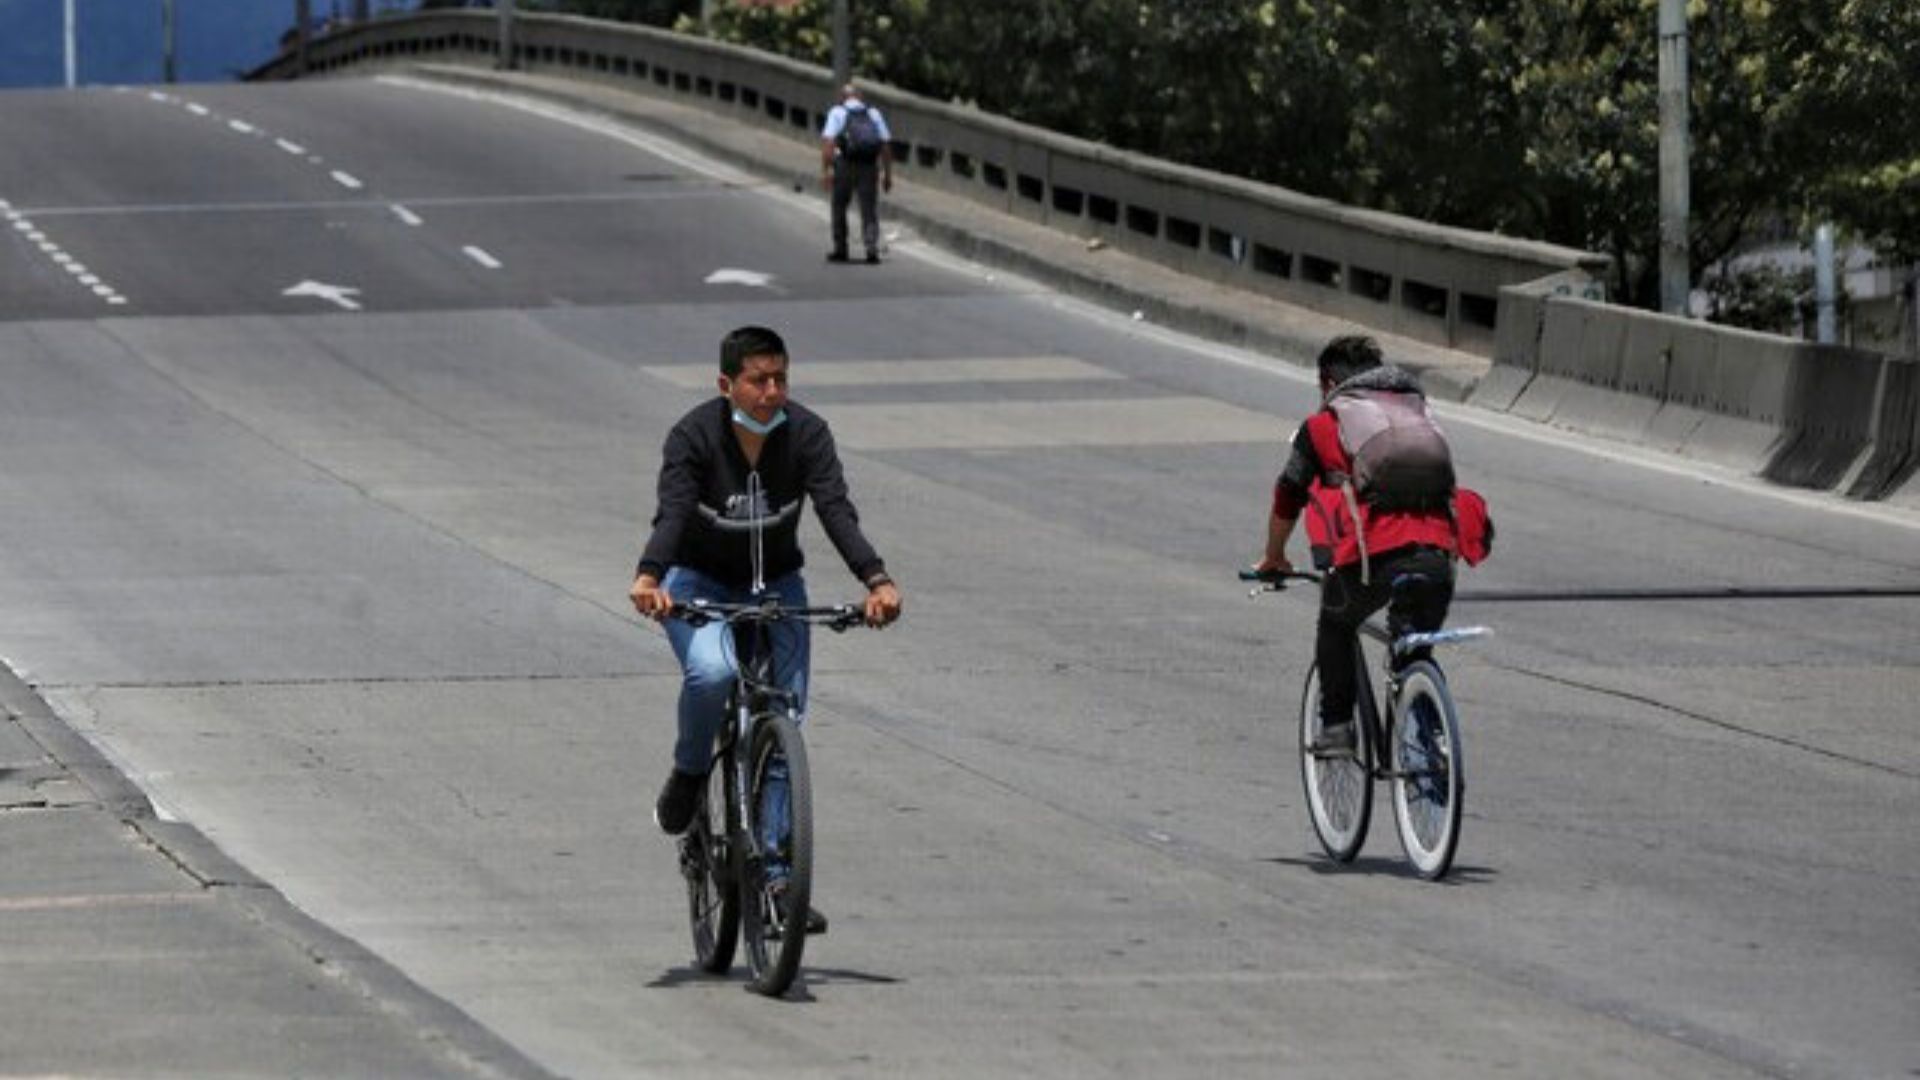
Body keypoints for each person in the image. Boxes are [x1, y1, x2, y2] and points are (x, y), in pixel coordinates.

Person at [631, 326, 902, 926]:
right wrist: (650, 578)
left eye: (780, 379)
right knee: (712, 671)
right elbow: (673, 513)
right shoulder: (693, 437)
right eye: (758, 381)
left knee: (786, 717)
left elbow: (835, 510)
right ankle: (690, 770)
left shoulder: (807, 435)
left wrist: (876, 580)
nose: (772, 392)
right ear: (727, 385)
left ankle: (779, 882)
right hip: (697, 585)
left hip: (778, 588)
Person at [1253, 335, 1471, 752]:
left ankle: (1336, 727)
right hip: (1439, 556)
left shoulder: (1322, 426)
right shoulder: (1420, 414)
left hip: (1374, 559)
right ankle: (1430, 733)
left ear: (1327, 383)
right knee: (1412, 642)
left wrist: (1274, 556)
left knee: (1336, 623)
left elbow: (1289, 494)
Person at [818, 82, 893, 264]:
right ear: (860, 97)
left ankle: (841, 249)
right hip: (869, 166)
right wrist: (887, 174)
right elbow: (885, 145)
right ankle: (871, 249)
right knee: (868, 209)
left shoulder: (837, 112)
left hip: (844, 164)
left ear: (843, 97)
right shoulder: (873, 113)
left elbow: (828, 144)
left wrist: (826, 171)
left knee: (839, 206)